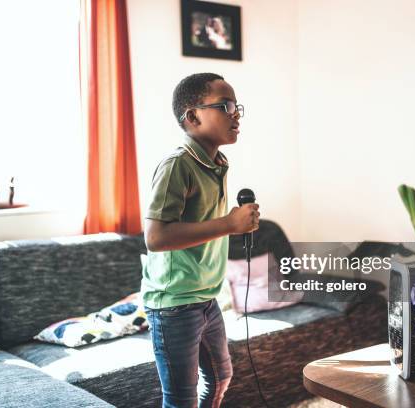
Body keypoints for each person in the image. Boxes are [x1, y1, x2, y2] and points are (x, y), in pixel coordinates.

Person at [141, 73, 258, 408]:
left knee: (221, 378)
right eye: (226, 106)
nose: (236, 114)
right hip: (174, 304)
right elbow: (156, 236)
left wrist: (232, 223)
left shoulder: (217, 163)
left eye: (237, 107)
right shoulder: (178, 164)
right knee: (181, 399)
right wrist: (229, 223)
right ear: (192, 117)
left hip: (206, 298)